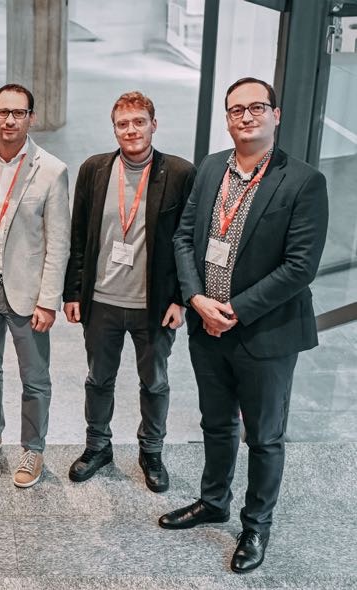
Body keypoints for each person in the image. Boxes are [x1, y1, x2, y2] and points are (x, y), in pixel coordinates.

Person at [161, 77, 328, 573]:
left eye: (257, 107)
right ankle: (214, 501)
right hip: (206, 326)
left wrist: (231, 311)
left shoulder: (303, 181)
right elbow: (184, 237)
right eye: (237, 109)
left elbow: (300, 267)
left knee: (264, 436)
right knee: (215, 423)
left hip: (264, 333)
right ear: (227, 118)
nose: (246, 116)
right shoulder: (212, 167)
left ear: (276, 114)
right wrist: (196, 299)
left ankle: (256, 526)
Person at [63, 91, 196, 492]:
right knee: (98, 379)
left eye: (139, 121)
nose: (131, 130)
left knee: (154, 382)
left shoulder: (179, 173)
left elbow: (188, 241)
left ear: (154, 124)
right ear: (114, 129)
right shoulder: (94, 170)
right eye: (123, 124)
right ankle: (97, 446)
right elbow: (78, 235)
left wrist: (181, 299)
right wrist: (73, 292)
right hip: (101, 299)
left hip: (152, 305)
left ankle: (151, 451)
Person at [0, 83, 71, 488]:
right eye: (3, 112)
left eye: (18, 113)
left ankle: (33, 449)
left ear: (30, 118)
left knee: (34, 377)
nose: (9, 120)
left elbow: (58, 242)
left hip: (27, 293)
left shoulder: (51, 170)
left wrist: (48, 301)